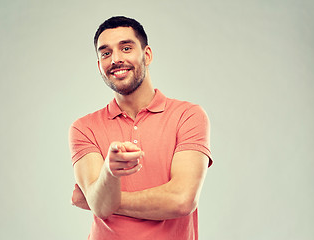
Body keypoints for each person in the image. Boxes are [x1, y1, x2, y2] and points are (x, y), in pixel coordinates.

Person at [69, 16, 213, 240]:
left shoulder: (188, 116)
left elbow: (182, 200)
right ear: (99, 65)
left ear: (147, 55)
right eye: (105, 53)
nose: (116, 59)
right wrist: (109, 172)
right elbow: (99, 206)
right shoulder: (84, 128)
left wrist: (103, 198)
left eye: (126, 48)